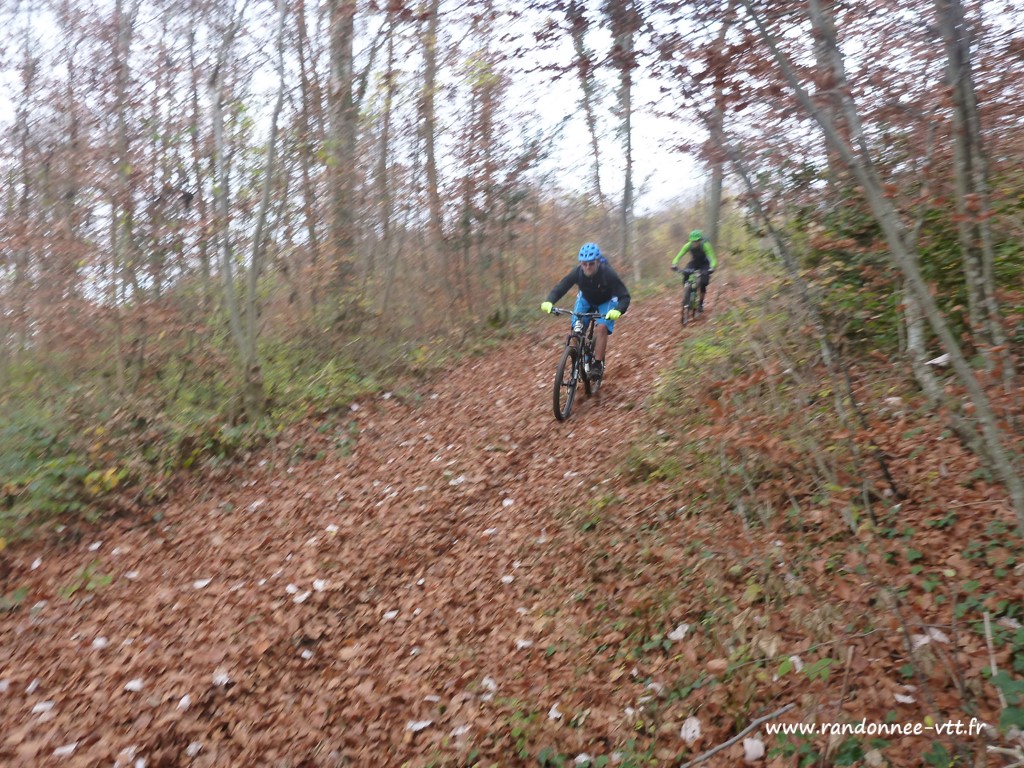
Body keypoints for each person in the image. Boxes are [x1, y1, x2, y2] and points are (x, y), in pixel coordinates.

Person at [541, 242, 630, 382]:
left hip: (606, 301)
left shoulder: (608, 273)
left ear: (598, 262)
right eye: (584, 264)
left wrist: (618, 310)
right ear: (580, 263)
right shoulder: (578, 272)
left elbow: (624, 296)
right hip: (586, 300)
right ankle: (576, 361)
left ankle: (597, 364)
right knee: (576, 329)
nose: (587, 267)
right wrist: (549, 301)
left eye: (591, 263)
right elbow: (562, 286)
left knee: (601, 327)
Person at [671, 230, 717, 313]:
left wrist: (712, 267)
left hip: (705, 264)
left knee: (703, 283)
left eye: (697, 241)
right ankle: (687, 293)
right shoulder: (688, 245)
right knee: (686, 273)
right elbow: (679, 255)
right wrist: (674, 264)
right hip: (694, 262)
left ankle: (700, 303)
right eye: (693, 241)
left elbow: (712, 258)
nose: (695, 243)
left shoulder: (706, 245)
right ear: (690, 241)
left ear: (700, 240)